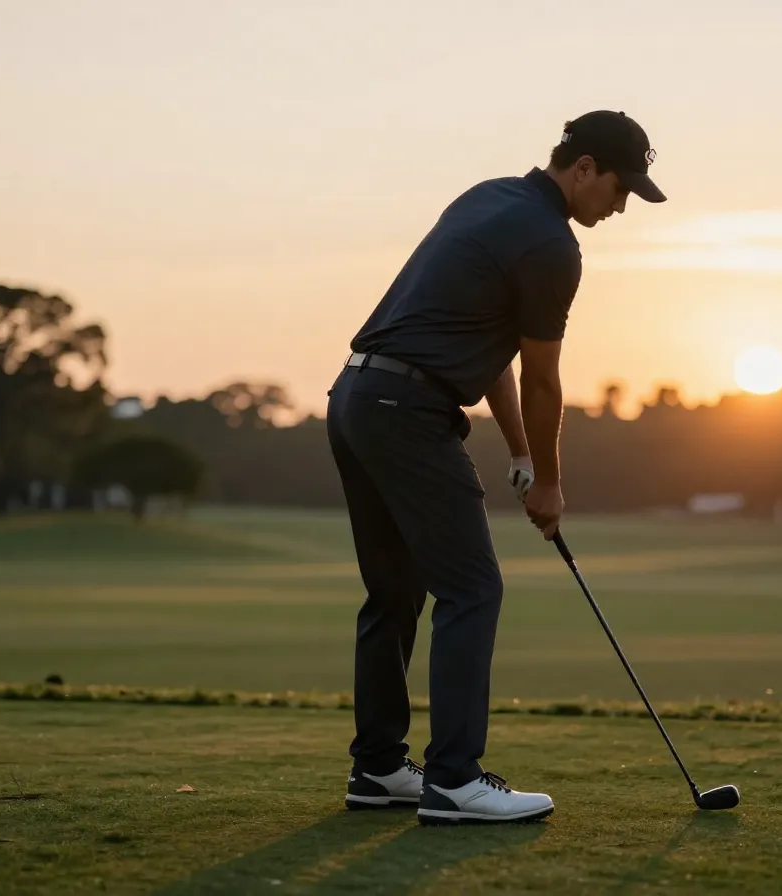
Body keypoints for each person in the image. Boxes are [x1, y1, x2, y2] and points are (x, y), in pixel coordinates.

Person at [327, 110, 667, 825]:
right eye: (618, 188)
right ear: (583, 169)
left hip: (358, 397)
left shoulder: (490, 196)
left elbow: (495, 359)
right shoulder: (552, 246)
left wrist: (518, 453)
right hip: (407, 413)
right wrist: (549, 481)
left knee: (393, 592)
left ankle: (380, 769)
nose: (620, 206)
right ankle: (454, 780)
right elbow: (543, 378)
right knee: (473, 590)